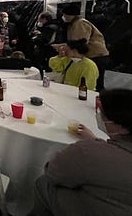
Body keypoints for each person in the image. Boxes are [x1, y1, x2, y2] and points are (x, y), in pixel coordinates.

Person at [31, 88, 132, 216]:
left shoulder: (87, 152)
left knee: (43, 182)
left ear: (122, 128)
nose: (99, 115)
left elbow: (53, 172)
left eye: (103, 114)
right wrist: (95, 140)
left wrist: (92, 145)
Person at [59, 4, 111, 91]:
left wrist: (64, 47)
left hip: (97, 55)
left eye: (65, 15)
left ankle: (98, 100)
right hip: (93, 55)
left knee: (95, 82)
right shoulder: (73, 24)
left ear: (71, 15)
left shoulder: (80, 23)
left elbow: (80, 41)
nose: (64, 17)